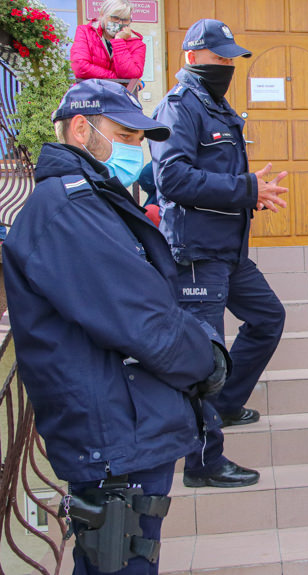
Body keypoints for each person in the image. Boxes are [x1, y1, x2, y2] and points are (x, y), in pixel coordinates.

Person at [3, 79, 230, 574]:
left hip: (125, 426)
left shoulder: (92, 198)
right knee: (122, 561)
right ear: (82, 129)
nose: (136, 149)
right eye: (125, 137)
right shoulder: (68, 206)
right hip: (114, 438)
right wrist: (207, 361)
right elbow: (142, 320)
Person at [150, 19, 289, 488]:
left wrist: (248, 194)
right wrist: (246, 188)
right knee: (205, 355)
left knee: (268, 317)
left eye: (232, 58)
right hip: (195, 252)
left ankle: (226, 405)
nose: (228, 64)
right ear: (192, 56)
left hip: (228, 250)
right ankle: (203, 463)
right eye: (220, 57)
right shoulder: (179, 107)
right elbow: (172, 179)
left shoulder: (217, 106)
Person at [71, 0, 146, 93]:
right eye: (115, 18)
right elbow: (80, 67)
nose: (120, 23)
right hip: (88, 97)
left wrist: (119, 42)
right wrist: (117, 80)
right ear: (103, 15)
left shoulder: (136, 44)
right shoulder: (85, 32)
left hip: (119, 100)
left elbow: (131, 74)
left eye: (125, 19)